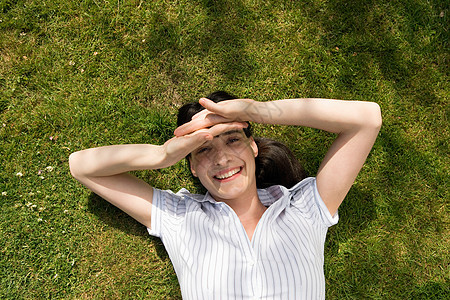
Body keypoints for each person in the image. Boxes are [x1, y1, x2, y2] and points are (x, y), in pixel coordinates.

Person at [69, 91, 382, 299]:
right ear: (191, 166)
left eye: (232, 140)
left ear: (253, 146)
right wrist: (162, 155)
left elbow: (367, 119)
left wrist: (257, 111)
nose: (221, 159)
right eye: (202, 149)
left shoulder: (304, 208)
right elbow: (82, 166)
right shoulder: (180, 218)